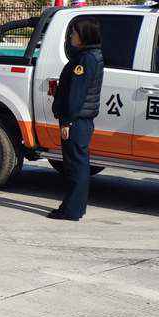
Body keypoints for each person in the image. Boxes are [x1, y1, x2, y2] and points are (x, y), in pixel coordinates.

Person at [49, 17, 104, 221]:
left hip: (76, 121)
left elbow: (76, 94)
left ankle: (71, 210)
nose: (71, 36)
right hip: (80, 120)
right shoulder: (89, 55)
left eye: (74, 33)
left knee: (75, 167)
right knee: (77, 165)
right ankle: (73, 207)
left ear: (84, 36)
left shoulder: (86, 59)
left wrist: (67, 121)